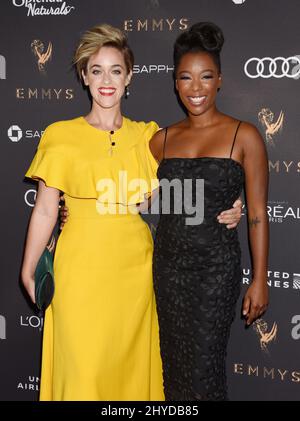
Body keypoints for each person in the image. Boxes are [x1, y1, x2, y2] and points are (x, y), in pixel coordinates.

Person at [22, 23, 242, 401]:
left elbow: (171, 193)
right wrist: (28, 269)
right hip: (79, 272)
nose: (106, 80)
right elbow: (44, 209)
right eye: (96, 70)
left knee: (129, 376)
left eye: (115, 70)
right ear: (85, 77)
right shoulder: (60, 135)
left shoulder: (148, 137)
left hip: (136, 274)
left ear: (129, 78)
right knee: (82, 372)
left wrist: (226, 204)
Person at [149, 22, 269, 401]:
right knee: (173, 370)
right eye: (186, 77)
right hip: (167, 268)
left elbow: (257, 214)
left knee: (204, 372)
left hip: (215, 270)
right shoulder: (159, 140)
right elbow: (142, 197)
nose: (196, 88)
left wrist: (260, 279)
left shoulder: (244, 135)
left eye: (205, 77)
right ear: (175, 82)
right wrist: (72, 207)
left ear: (219, 80)